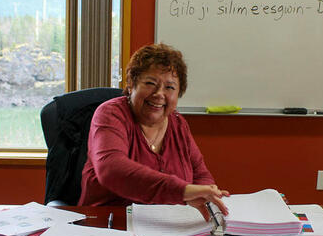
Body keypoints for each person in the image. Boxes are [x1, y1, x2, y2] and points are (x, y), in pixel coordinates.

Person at [78, 43, 229, 220]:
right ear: (132, 84)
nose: (159, 93)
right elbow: (111, 169)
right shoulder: (110, 114)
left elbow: (200, 174)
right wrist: (183, 191)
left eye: (170, 87)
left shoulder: (178, 124)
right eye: (150, 83)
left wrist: (208, 196)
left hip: (167, 226)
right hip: (110, 223)